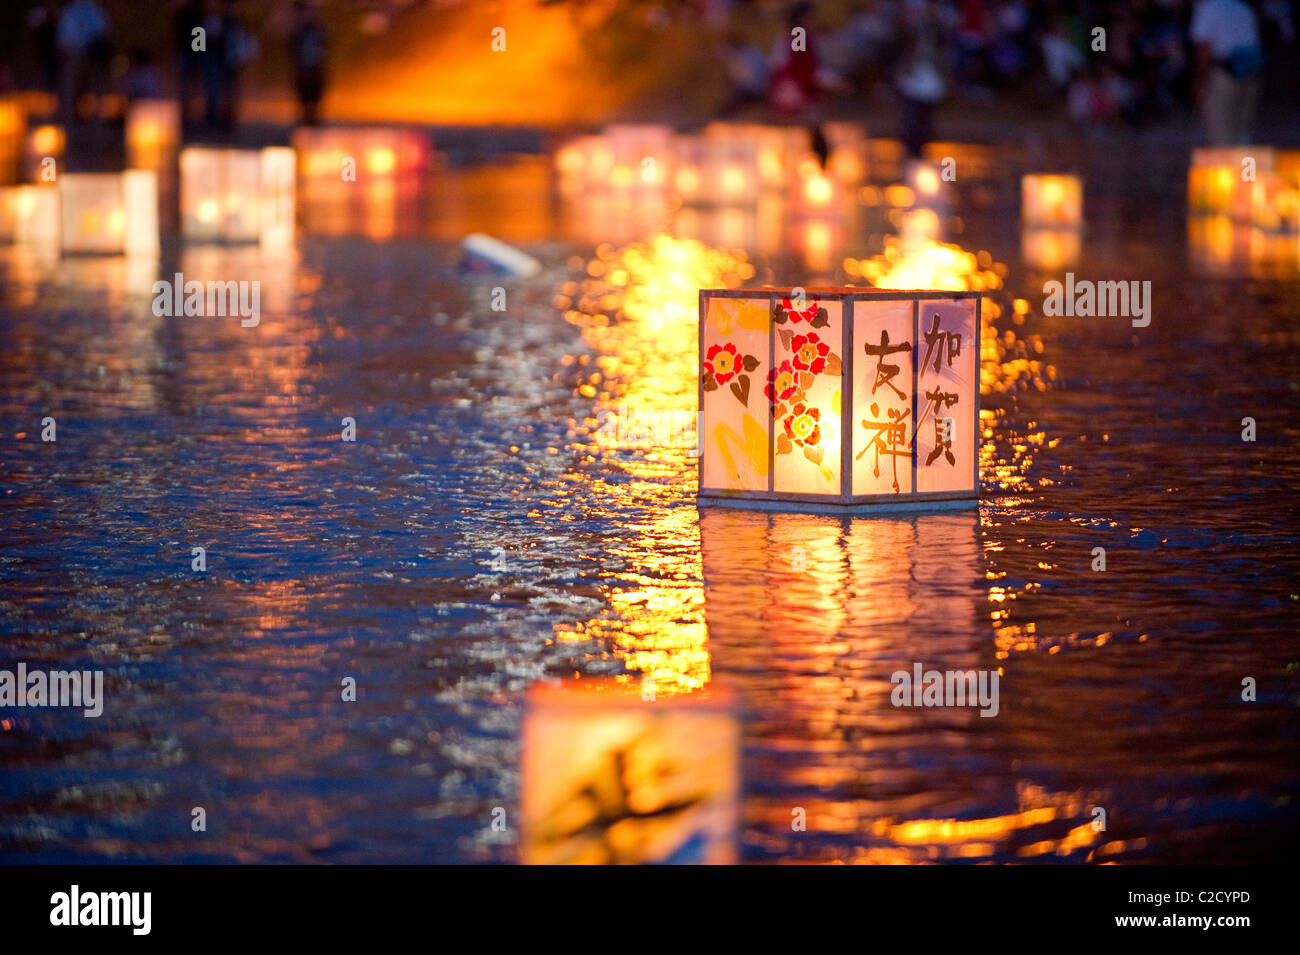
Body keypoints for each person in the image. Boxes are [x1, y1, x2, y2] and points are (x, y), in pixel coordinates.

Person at [1190, 0, 1264, 145]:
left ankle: (1230, 167)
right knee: (1241, 132)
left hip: (1224, 73)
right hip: (1251, 72)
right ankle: (1246, 167)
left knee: (1222, 133)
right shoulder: (1243, 7)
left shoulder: (1208, 9)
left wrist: (1198, 80)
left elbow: (1203, 47)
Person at [56, 0, 110, 125]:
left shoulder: (73, 10)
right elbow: (102, 32)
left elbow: (64, 36)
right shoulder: (94, 9)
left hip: (82, 54)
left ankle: (71, 119)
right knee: (92, 89)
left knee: (73, 87)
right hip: (87, 54)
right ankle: (95, 120)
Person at [292, 1, 327, 126]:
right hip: (302, 70)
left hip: (316, 69)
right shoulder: (298, 32)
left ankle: (314, 118)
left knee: (316, 95)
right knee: (304, 95)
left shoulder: (320, 31)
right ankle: (305, 118)